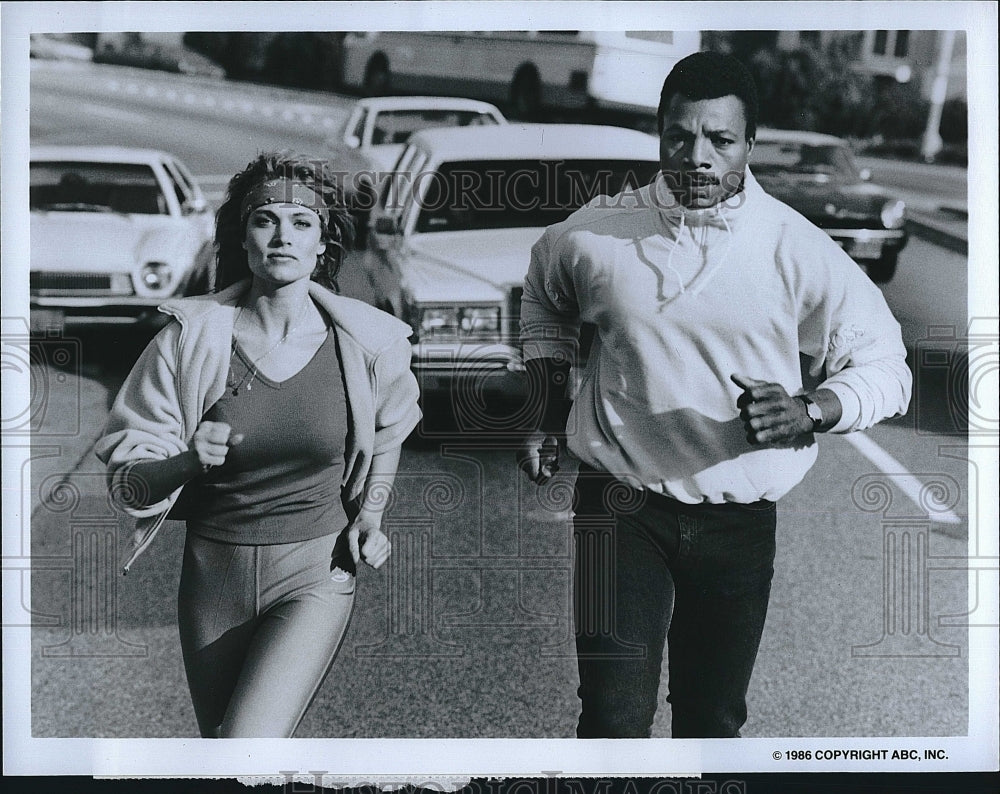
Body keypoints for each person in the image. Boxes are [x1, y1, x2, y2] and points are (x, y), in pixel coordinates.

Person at [516, 51, 912, 739]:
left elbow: (887, 364)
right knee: (612, 717)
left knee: (711, 722)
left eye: (720, 140)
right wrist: (548, 410)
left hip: (737, 519)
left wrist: (813, 409)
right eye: (679, 136)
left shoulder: (796, 247)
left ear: (749, 146)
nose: (696, 157)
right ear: (661, 134)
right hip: (621, 504)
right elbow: (546, 301)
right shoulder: (596, 233)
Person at [96, 151, 421, 738]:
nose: (283, 237)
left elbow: (392, 429)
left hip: (316, 573)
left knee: (245, 746)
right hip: (211, 576)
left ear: (323, 243)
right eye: (265, 219)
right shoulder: (189, 340)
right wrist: (186, 461)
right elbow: (126, 482)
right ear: (241, 237)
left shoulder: (365, 342)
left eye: (302, 224)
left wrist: (370, 514)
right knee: (226, 763)